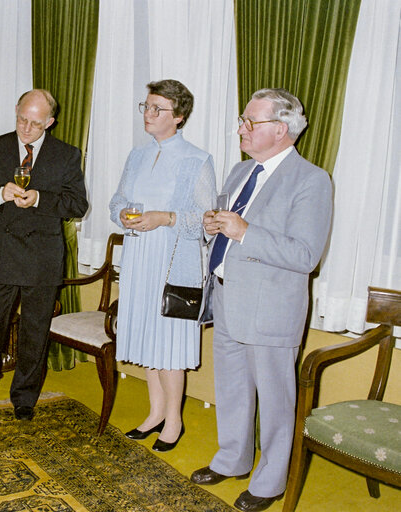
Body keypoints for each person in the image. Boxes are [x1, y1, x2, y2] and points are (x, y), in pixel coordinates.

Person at [192, 88, 332, 512]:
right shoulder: (239, 172)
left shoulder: (311, 180)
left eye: (251, 123)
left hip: (271, 310)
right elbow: (227, 227)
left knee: (275, 401)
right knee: (231, 390)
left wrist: (244, 231)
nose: (241, 129)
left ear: (281, 129)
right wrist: (212, 226)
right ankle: (232, 460)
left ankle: (270, 482)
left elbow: (305, 255)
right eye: (243, 120)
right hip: (228, 299)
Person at [0, 89, 89, 421]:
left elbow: (77, 205)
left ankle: (25, 397)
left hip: (42, 256)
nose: (26, 128)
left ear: (50, 122)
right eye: (21, 119)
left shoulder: (66, 155)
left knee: (35, 331)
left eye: (35, 123)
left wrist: (40, 198)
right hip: (1, 252)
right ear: (16, 111)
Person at [109, 80, 215, 452]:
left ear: (179, 116)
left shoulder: (197, 159)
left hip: (173, 263)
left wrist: (165, 217)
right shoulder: (136, 156)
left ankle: (174, 420)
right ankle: (154, 413)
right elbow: (117, 200)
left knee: (169, 345)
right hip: (139, 259)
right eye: (147, 107)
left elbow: (206, 219)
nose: (149, 115)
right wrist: (122, 213)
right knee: (149, 341)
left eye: (158, 109)